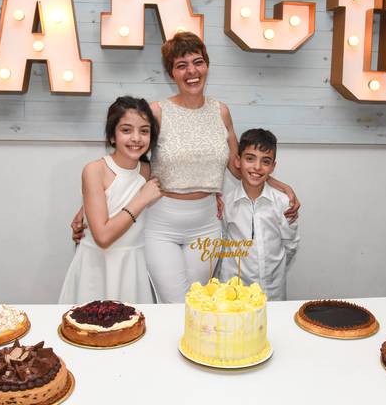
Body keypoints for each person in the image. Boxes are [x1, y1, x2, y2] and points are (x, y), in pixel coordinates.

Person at [73, 32, 299, 303]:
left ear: (207, 66)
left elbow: (242, 167)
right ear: (172, 73)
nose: (192, 71)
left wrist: (280, 186)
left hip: (206, 225)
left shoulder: (221, 112)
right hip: (161, 222)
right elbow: (129, 160)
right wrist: (90, 205)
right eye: (182, 65)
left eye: (198, 62)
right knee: (175, 303)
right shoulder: (157, 112)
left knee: (195, 302)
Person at [58, 96, 162, 304]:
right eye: (126, 130)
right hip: (97, 265)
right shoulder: (95, 170)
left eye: (144, 130)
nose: (136, 138)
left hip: (132, 264)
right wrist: (141, 200)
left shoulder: (147, 169)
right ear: (112, 136)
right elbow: (103, 237)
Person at [218, 128, 300, 301]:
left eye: (265, 161)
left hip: (272, 292)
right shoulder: (226, 204)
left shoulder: (283, 203)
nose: (257, 167)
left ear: (273, 167)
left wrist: (273, 271)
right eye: (250, 159)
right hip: (235, 292)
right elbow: (223, 243)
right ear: (238, 161)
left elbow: (290, 245)